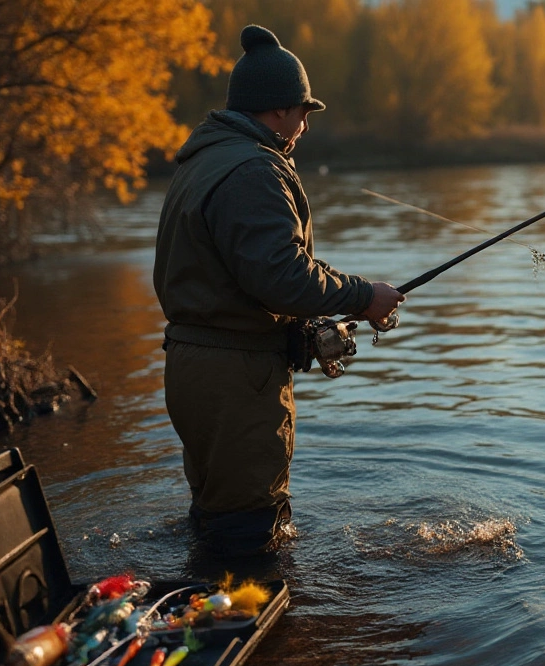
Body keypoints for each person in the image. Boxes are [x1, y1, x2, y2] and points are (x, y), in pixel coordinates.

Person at [153, 25, 404, 556]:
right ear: (278, 110)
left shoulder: (205, 159)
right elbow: (282, 277)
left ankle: (215, 616)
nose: (306, 126)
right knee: (251, 537)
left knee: (217, 519)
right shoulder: (253, 169)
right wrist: (364, 296)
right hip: (235, 382)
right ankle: (251, 627)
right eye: (304, 113)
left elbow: (254, 275)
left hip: (197, 368)